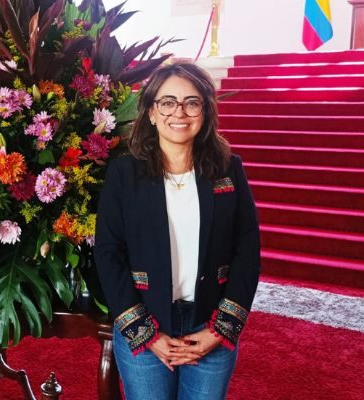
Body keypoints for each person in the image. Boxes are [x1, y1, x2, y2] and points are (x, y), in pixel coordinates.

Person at [93, 61, 260, 400]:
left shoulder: (228, 169)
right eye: (167, 102)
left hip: (208, 323)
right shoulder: (124, 173)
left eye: (192, 102)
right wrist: (147, 334)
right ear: (152, 113)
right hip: (146, 320)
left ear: (205, 111)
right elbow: (109, 253)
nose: (179, 112)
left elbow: (248, 250)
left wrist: (219, 331)